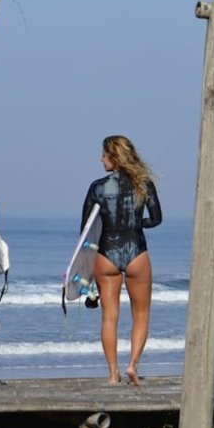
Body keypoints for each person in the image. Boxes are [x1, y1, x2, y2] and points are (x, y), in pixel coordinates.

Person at [82, 135, 162, 386]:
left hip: (106, 254)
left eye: (104, 155)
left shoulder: (97, 187)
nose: (100, 159)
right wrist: (138, 223)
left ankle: (113, 374)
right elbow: (156, 219)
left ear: (114, 158)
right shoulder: (144, 184)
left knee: (109, 317)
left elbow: (85, 229)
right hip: (136, 251)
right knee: (141, 314)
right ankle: (132, 365)